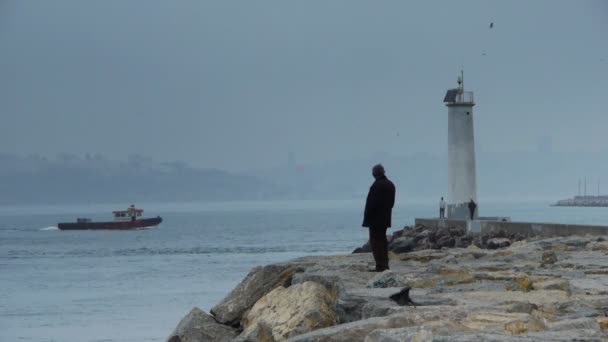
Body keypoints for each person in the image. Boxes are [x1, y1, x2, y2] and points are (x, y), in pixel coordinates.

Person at [362, 164, 396, 272]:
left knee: (375, 243)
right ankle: (385, 264)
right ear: (383, 172)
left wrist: (367, 218)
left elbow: (371, 204)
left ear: (374, 174)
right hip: (385, 218)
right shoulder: (391, 185)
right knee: (383, 241)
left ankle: (380, 266)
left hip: (374, 220)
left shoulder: (376, 186)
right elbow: (391, 204)